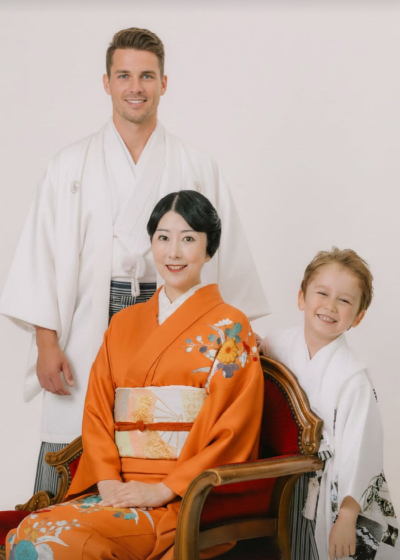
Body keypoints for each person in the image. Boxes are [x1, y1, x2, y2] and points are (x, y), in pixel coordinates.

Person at [0, 27, 268, 496]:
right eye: (123, 75)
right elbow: (41, 254)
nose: (135, 87)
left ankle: (152, 511)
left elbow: (225, 253)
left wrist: (237, 335)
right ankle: (59, 515)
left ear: (164, 82)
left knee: (160, 436)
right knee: (73, 425)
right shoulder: (70, 164)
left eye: (146, 76)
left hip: (174, 316)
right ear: (106, 82)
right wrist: (46, 341)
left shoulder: (196, 164)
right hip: (88, 316)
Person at [6, 190, 264, 560]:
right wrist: (107, 481)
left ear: (209, 249)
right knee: (28, 533)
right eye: (163, 238)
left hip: (181, 497)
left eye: (188, 239)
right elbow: (97, 410)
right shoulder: (124, 323)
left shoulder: (232, 327)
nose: (173, 252)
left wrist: (164, 489)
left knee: (53, 543)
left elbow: (233, 430)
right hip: (117, 488)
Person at [257, 248, 398, 560]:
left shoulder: (353, 378)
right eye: (322, 293)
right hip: (283, 475)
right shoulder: (277, 342)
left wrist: (347, 516)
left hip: (331, 486)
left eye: (344, 300)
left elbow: (362, 451)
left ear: (358, 317)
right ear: (301, 298)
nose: (330, 306)